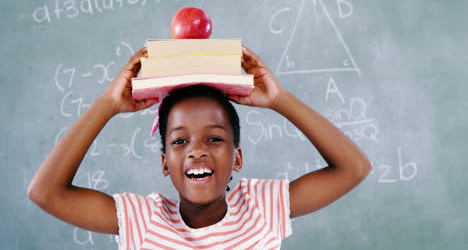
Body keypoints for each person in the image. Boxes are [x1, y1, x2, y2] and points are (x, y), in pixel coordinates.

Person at [28, 46, 372, 249]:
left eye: (215, 138)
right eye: (179, 141)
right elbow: (45, 193)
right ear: (165, 163)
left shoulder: (260, 209)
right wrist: (107, 103)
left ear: (237, 157)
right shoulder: (144, 220)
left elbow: (354, 168)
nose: (197, 150)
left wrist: (280, 100)